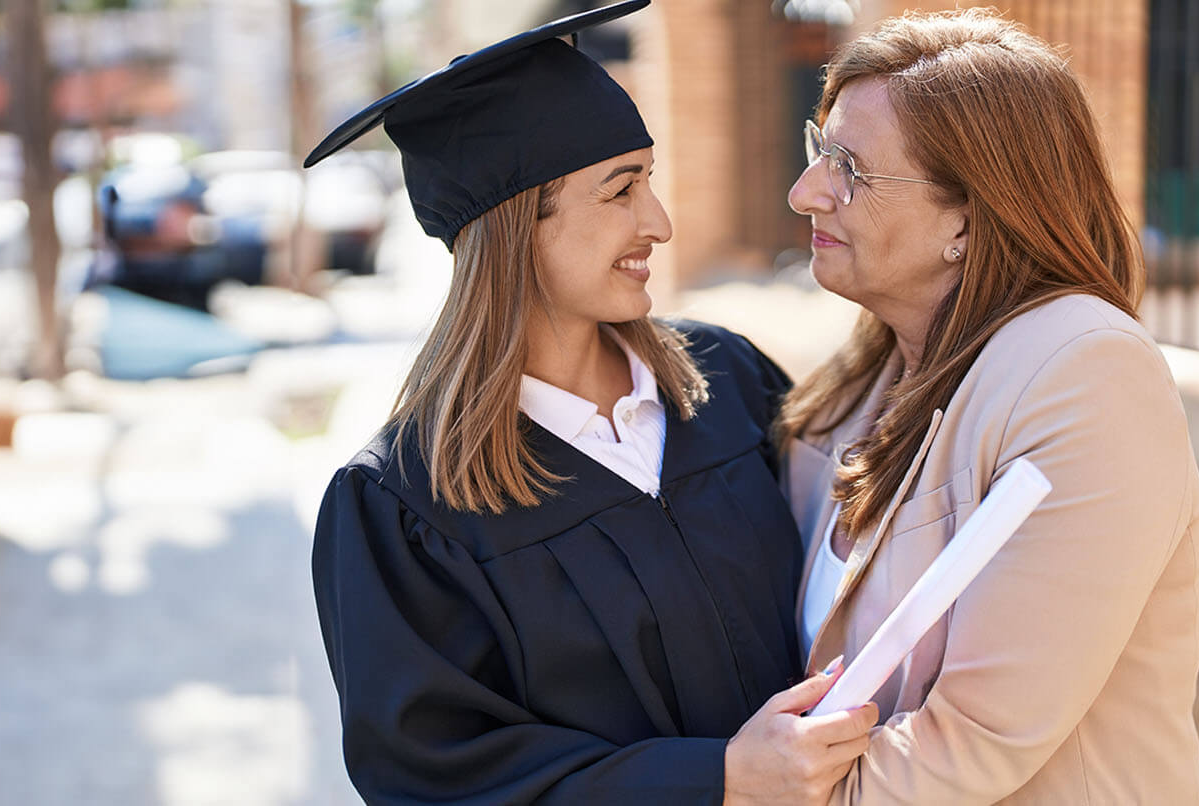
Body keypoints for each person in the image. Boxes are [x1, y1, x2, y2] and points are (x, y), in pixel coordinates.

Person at [306, 2, 877, 803]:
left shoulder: (726, 378)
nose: (662, 222)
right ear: (515, 225)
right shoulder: (403, 507)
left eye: (652, 180)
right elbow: (434, 778)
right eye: (621, 191)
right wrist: (715, 780)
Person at [780, 9, 1199, 804]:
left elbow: (974, 739)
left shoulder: (1086, 371)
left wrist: (754, 791)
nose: (807, 192)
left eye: (850, 166)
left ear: (970, 218)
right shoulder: (859, 381)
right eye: (818, 150)